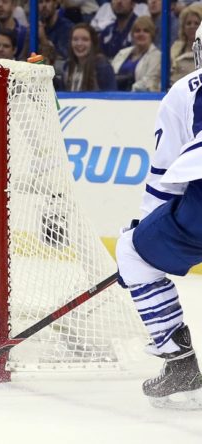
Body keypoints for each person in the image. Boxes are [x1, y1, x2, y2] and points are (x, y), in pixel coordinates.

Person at [114, 21, 202, 411]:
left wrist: (142, 241)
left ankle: (181, 367)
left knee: (133, 253)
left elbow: (164, 179)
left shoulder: (185, 90)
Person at [60, 22, 116, 91]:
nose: (79, 43)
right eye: (75, 39)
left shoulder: (102, 66)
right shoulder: (67, 66)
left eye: (85, 39)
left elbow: (111, 97)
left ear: (93, 43)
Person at [111, 15, 161, 91]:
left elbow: (150, 82)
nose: (141, 34)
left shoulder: (157, 56)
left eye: (146, 31)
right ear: (132, 34)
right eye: (137, 31)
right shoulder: (122, 53)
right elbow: (110, 75)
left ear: (152, 35)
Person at [170, 3, 202, 85]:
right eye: (188, 23)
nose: (192, 26)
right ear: (183, 27)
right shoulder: (175, 48)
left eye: (196, 23)